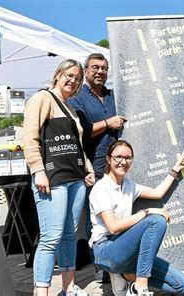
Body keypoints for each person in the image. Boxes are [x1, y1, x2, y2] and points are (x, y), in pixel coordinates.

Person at [23, 59, 95, 296]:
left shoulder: (72, 109)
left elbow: (78, 146)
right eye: (69, 75)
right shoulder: (42, 98)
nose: (73, 81)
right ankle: (41, 291)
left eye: (77, 79)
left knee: (69, 236)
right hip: (52, 179)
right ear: (58, 74)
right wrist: (38, 170)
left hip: (76, 179)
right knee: (50, 237)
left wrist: (88, 168)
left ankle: (68, 288)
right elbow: (30, 137)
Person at [89, 140, 184, 296]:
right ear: (108, 159)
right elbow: (113, 227)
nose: (123, 162)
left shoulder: (129, 186)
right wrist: (147, 212)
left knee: (182, 286)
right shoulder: (101, 188)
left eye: (128, 158)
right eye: (118, 157)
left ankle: (127, 277)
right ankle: (140, 287)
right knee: (156, 220)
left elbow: (157, 193)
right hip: (105, 250)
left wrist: (175, 169)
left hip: (128, 251)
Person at [68, 53, 126, 283]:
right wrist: (107, 123)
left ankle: (120, 261)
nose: (100, 72)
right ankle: (101, 266)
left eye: (104, 68)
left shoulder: (114, 96)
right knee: (96, 218)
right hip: (94, 165)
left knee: (121, 211)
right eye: (95, 68)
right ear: (86, 70)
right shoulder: (77, 98)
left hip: (120, 165)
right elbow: (79, 131)